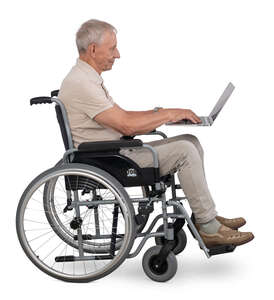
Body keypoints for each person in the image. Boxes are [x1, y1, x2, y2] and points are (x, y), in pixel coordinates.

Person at [58, 19, 254, 248]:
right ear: (93, 49)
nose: (118, 54)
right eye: (112, 48)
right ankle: (208, 225)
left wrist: (156, 113)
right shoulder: (82, 83)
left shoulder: (87, 78)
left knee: (191, 141)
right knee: (185, 150)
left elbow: (121, 115)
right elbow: (126, 126)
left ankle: (206, 216)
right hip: (108, 159)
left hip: (113, 151)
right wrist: (169, 114)